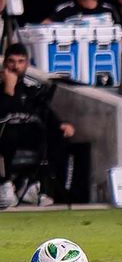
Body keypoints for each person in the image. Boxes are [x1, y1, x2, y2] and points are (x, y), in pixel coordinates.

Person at [0, 44, 74, 209]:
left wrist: (60, 124)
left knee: (57, 137)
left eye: (20, 61)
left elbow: (42, 111)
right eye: (11, 61)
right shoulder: (2, 89)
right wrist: (9, 90)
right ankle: (5, 185)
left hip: (28, 136)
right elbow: (6, 112)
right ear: (5, 63)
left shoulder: (30, 90)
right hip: (6, 136)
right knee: (9, 133)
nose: (16, 66)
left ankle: (41, 187)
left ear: (26, 64)